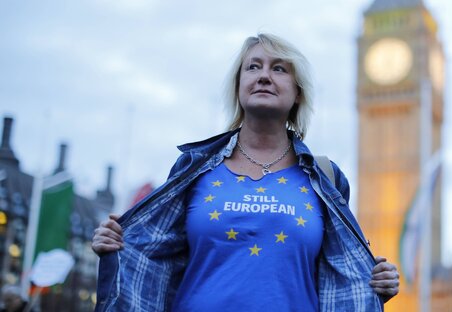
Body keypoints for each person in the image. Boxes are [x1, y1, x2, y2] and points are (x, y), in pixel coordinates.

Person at [92, 33, 399, 311]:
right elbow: (153, 256)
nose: (264, 75)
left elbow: (342, 271)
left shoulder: (325, 177)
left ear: (298, 94)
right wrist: (116, 244)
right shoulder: (193, 168)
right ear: (239, 86)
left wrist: (375, 283)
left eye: (279, 69)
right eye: (253, 67)